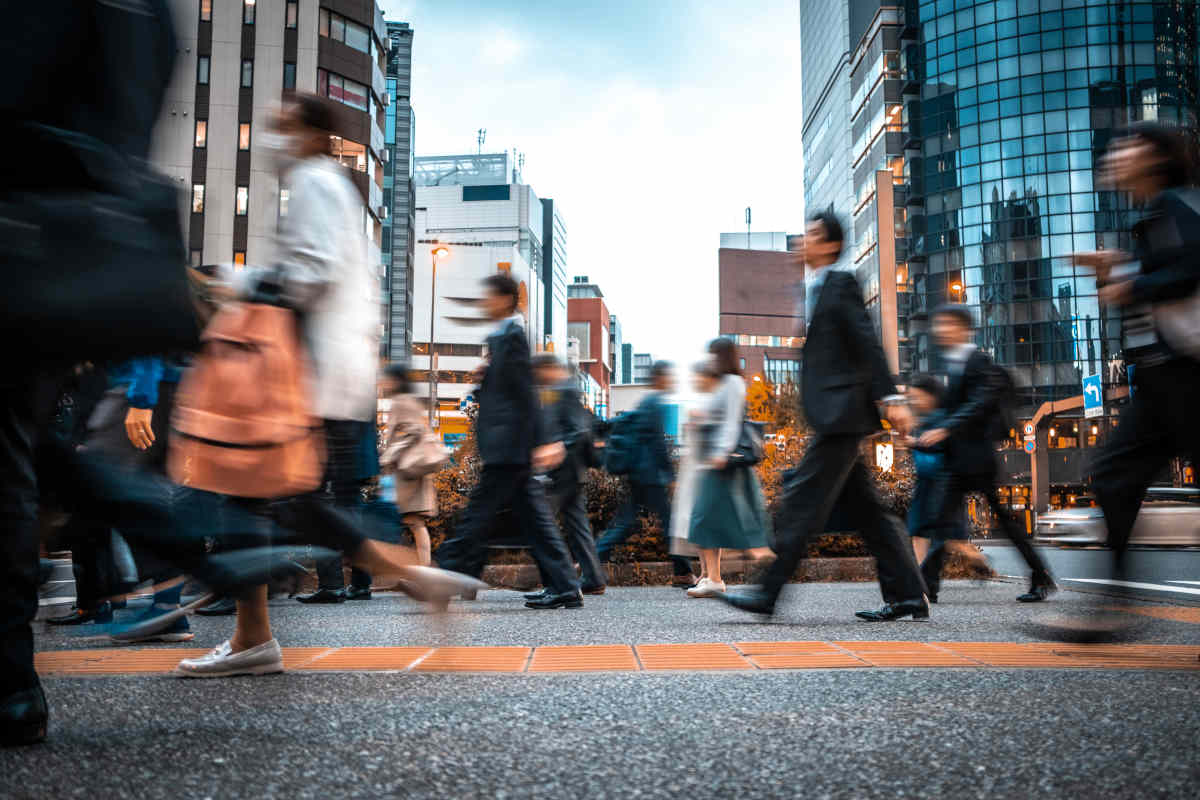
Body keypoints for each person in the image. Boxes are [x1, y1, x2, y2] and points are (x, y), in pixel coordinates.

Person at [176, 95, 483, 678]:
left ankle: (259, 637)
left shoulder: (316, 184)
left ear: (312, 135)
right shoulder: (329, 189)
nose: (272, 137)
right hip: (321, 371)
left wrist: (238, 288)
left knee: (252, 494)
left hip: (300, 373)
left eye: (283, 126)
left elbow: (310, 272)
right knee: (281, 499)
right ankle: (267, 631)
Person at [719, 212, 928, 621]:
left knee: (800, 505)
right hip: (836, 416)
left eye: (813, 234)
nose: (804, 240)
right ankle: (907, 597)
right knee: (871, 515)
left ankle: (767, 595)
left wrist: (889, 396)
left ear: (831, 245)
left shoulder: (840, 284)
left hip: (843, 416)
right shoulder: (814, 289)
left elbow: (866, 342)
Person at [1066, 122, 1200, 639]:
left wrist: (1130, 282)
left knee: (1114, 474)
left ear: (1155, 155)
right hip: (1161, 383)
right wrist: (1122, 269)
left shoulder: (1177, 205)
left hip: (1190, 375)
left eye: (1127, 147)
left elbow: (1190, 268)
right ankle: (1115, 607)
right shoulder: (1153, 216)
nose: (1116, 156)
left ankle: (1114, 608)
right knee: (1112, 475)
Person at [434, 273, 584, 610]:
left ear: (503, 299)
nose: (484, 303)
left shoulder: (512, 336)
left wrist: (545, 440)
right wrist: (484, 382)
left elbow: (525, 393)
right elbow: (510, 389)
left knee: (477, 516)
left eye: (488, 297)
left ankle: (442, 577)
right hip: (510, 446)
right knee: (534, 521)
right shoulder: (504, 337)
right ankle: (564, 586)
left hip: (510, 446)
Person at [916, 304, 1055, 603]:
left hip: (978, 459)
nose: (940, 330)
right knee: (942, 523)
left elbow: (979, 403)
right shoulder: (955, 364)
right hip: (959, 459)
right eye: (939, 324)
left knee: (1002, 522)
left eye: (947, 324)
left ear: (964, 328)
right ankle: (927, 586)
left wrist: (946, 429)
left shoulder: (978, 362)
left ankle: (1040, 576)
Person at [596, 361, 696, 586]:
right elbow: (658, 445)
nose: (672, 381)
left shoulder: (647, 402)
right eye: (669, 377)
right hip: (650, 476)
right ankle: (683, 573)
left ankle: (590, 560)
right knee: (668, 524)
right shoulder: (655, 403)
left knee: (626, 523)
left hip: (639, 473)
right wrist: (670, 476)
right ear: (660, 378)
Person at [685, 340, 771, 598]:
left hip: (721, 461)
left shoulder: (732, 384)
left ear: (722, 356)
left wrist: (722, 452)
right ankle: (714, 577)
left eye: (712, 355)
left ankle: (723, 574)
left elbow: (732, 422)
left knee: (704, 518)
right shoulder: (724, 384)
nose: (710, 360)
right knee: (708, 520)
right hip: (713, 461)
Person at [524, 354, 606, 599]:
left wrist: (557, 449)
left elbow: (577, 429)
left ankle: (559, 584)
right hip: (570, 471)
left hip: (563, 471)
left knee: (541, 525)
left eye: (539, 371)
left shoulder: (564, 390)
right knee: (577, 527)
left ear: (549, 369)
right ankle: (593, 578)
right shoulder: (559, 389)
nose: (537, 376)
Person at [904, 374, 984, 601]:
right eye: (911, 399)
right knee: (919, 534)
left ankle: (927, 585)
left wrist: (916, 442)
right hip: (925, 483)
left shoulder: (943, 418)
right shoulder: (922, 420)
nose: (914, 403)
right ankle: (920, 586)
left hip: (942, 483)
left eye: (917, 398)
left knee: (944, 537)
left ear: (931, 396)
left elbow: (942, 448)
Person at [380, 362, 436, 566]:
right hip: (409, 472)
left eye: (386, 378)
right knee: (413, 523)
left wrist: (389, 455)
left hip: (408, 473)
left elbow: (414, 431)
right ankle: (423, 570)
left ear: (396, 381)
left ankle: (424, 571)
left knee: (415, 523)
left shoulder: (402, 402)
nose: (382, 382)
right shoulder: (406, 401)